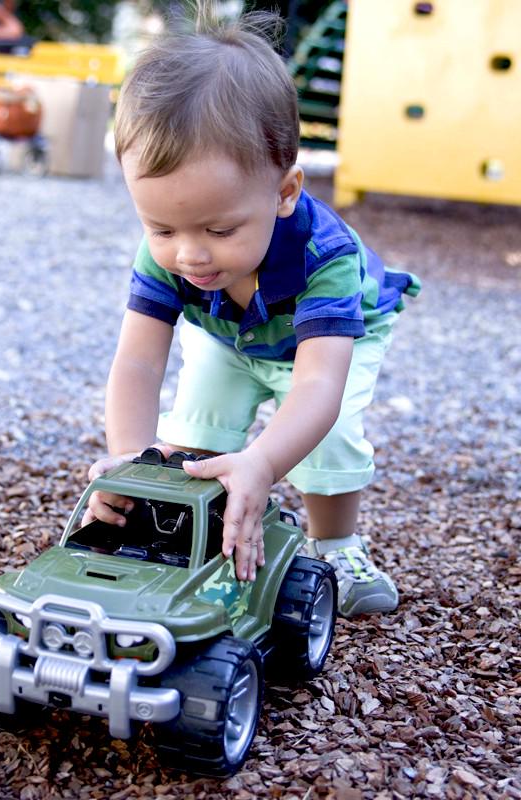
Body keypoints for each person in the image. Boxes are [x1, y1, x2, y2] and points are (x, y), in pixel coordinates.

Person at [81, 5, 419, 618]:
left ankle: (338, 544)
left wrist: (264, 463)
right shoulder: (173, 254)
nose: (189, 253)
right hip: (229, 333)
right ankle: (195, 528)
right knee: (195, 431)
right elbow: (136, 360)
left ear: (284, 192)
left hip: (325, 343)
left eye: (219, 227)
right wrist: (133, 457)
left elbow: (319, 383)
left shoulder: (326, 258)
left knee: (330, 436)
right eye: (160, 226)